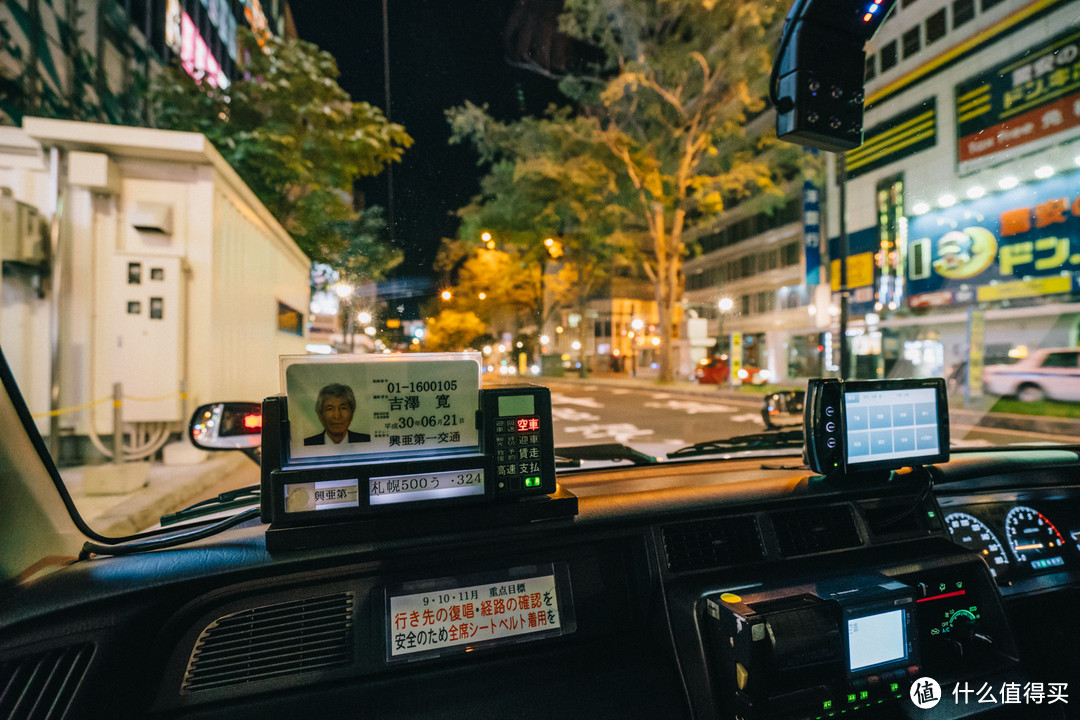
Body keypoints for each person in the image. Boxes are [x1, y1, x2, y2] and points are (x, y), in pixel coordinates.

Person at [303, 383, 370, 445]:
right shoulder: (307, 444)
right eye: (330, 409)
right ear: (320, 415)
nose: (337, 416)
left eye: (343, 408)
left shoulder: (366, 440)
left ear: (352, 414)